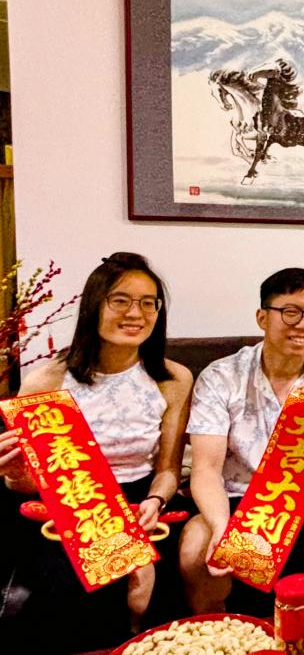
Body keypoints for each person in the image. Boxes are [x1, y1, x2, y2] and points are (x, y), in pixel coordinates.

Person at [0, 252, 192, 650]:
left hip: (142, 501)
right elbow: (28, 483)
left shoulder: (173, 378)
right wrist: (16, 474)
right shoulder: (47, 382)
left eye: (148, 302)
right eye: (120, 300)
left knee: (164, 588)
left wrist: (157, 499)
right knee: (77, 584)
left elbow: (168, 469)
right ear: (94, 306)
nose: (135, 313)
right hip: (70, 506)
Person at [179, 268, 304, 612]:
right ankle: (221, 631)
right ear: (262, 317)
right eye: (290, 312)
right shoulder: (221, 376)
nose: (303, 325)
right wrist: (220, 527)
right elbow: (206, 471)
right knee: (194, 549)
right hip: (236, 498)